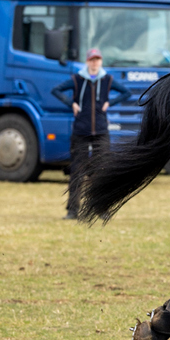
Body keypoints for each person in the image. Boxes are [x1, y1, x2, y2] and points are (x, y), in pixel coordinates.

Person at [51, 48, 132, 219]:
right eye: (92, 60)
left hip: (101, 132)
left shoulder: (108, 80)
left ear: (100, 62)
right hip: (81, 131)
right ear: (87, 62)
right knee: (77, 171)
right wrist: (71, 103)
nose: (95, 63)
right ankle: (72, 211)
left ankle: (101, 209)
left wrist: (110, 102)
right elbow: (56, 90)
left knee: (101, 171)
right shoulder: (77, 79)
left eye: (97, 60)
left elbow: (127, 92)